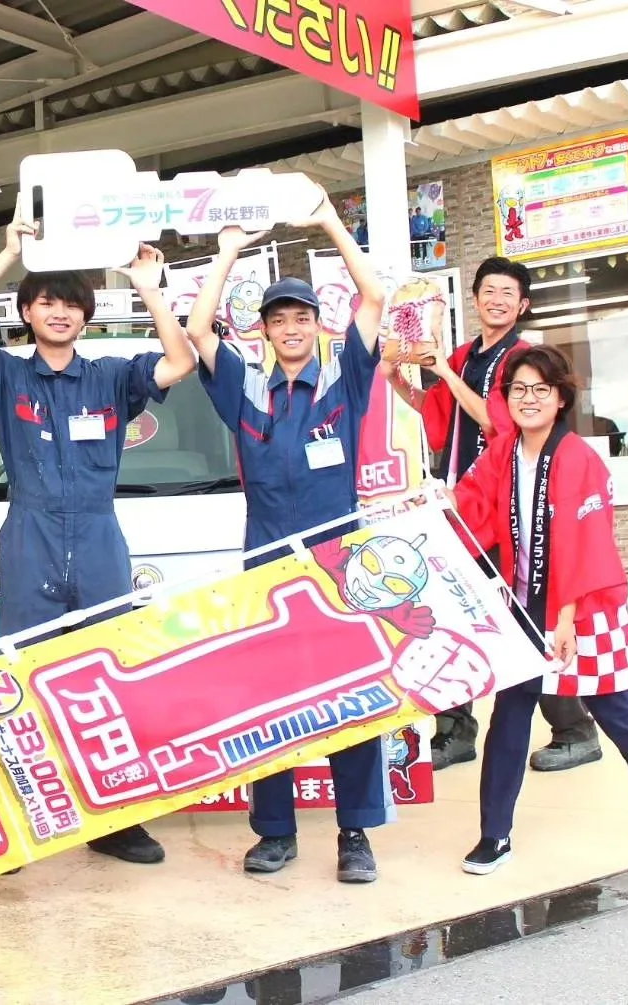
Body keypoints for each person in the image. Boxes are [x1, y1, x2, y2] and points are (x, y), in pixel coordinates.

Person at [0, 200, 196, 865]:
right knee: (15, 680)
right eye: (46, 301)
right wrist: (8, 253)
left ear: (85, 315)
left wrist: (147, 288)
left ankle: (114, 819)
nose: (59, 312)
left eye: (71, 304)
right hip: (28, 536)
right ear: (27, 312)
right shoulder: (4, 374)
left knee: (104, 680)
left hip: (100, 536)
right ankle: (18, 817)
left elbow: (178, 361)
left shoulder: (111, 376)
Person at [185, 189, 391, 881]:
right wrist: (226, 252)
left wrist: (327, 220)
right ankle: (274, 831)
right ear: (267, 332)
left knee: (351, 702)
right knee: (267, 701)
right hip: (266, 574)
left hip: (340, 571)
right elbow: (197, 329)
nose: (292, 328)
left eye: (302, 317)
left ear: (315, 325)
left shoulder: (344, 380)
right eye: (280, 320)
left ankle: (354, 834)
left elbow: (371, 297)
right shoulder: (245, 389)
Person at [381, 257, 601, 773]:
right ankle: (456, 730)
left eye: (508, 293)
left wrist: (444, 374)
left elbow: (498, 423)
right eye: (488, 291)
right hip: (464, 504)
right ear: (474, 299)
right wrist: (395, 377)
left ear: (522, 304)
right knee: (451, 613)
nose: (497, 300)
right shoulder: (461, 356)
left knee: (524, 617)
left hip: (511, 505)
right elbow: (438, 419)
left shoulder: (523, 360)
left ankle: (575, 728)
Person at [448, 345, 628, 875]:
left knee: (621, 720)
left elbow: (582, 544)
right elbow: (470, 508)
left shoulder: (578, 456)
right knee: (509, 719)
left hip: (584, 613)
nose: (529, 398)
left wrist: (564, 617)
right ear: (507, 399)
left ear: (560, 398)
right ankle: (494, 836)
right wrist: (426, 511)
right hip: (524, 612)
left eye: (541, 389)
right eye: (519, 389)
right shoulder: (503, 452)